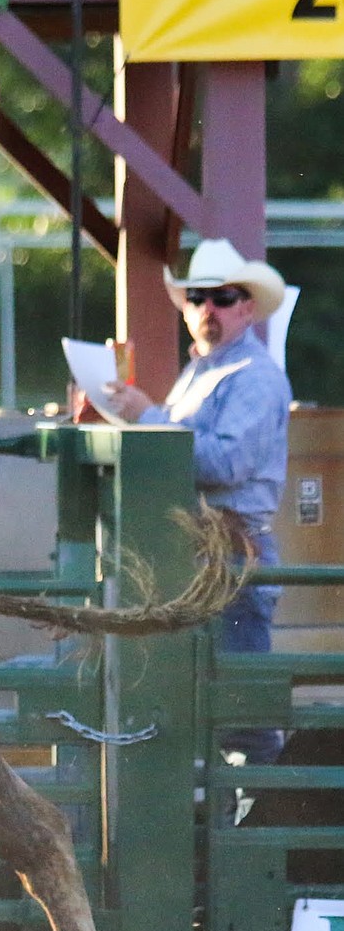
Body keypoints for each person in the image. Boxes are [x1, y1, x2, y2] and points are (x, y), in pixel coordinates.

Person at [104, 237, 291, 760]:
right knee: (213, 706)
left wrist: (145, 417)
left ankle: (256, 825)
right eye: (198, 297)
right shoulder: (204, 374)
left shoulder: (253, 377)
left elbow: (224, 464)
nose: (209, 308)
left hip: (230, 556)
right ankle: (240, 822)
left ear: (247, 308)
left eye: (223, 297)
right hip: (203, 556)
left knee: (239, 712)